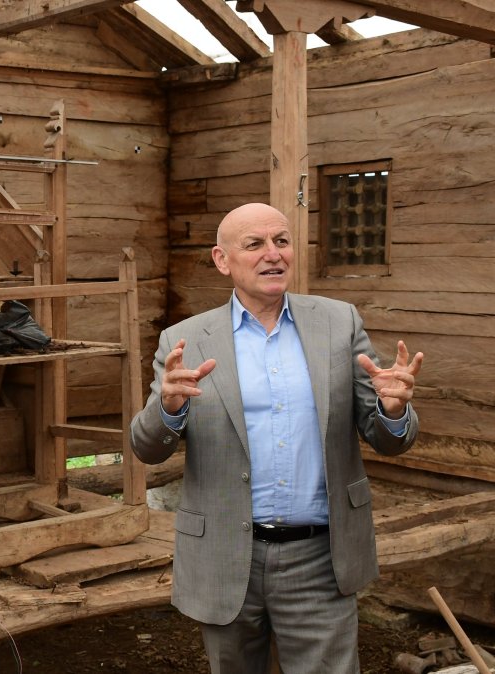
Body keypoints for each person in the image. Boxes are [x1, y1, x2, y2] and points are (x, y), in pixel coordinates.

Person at [129, 202, 423, 674]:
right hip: (226, 557)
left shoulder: (339, 323)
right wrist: (169, 409)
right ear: (222, 260)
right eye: (255, 244)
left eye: (281, 241)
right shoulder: (185, 340)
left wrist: (392, 409)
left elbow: (389, 437)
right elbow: (146, 447)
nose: (274, 254)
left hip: (320, 558)